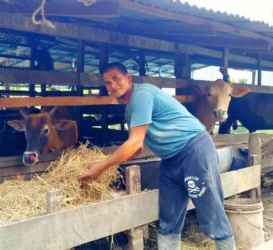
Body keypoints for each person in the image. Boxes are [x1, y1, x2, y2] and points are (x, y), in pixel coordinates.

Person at [78, 62, 235, 250]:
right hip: (170, 159)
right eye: (107, 83)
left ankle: (226, 245)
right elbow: (137, 149)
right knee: (169, 215)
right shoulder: (130, 110)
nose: (112, 85)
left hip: (194, 149)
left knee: (210, 209)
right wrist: (100, 163)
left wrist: (101, 168)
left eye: (116, 78)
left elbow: (134, 143)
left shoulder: (142, 94)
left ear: (128, 77)